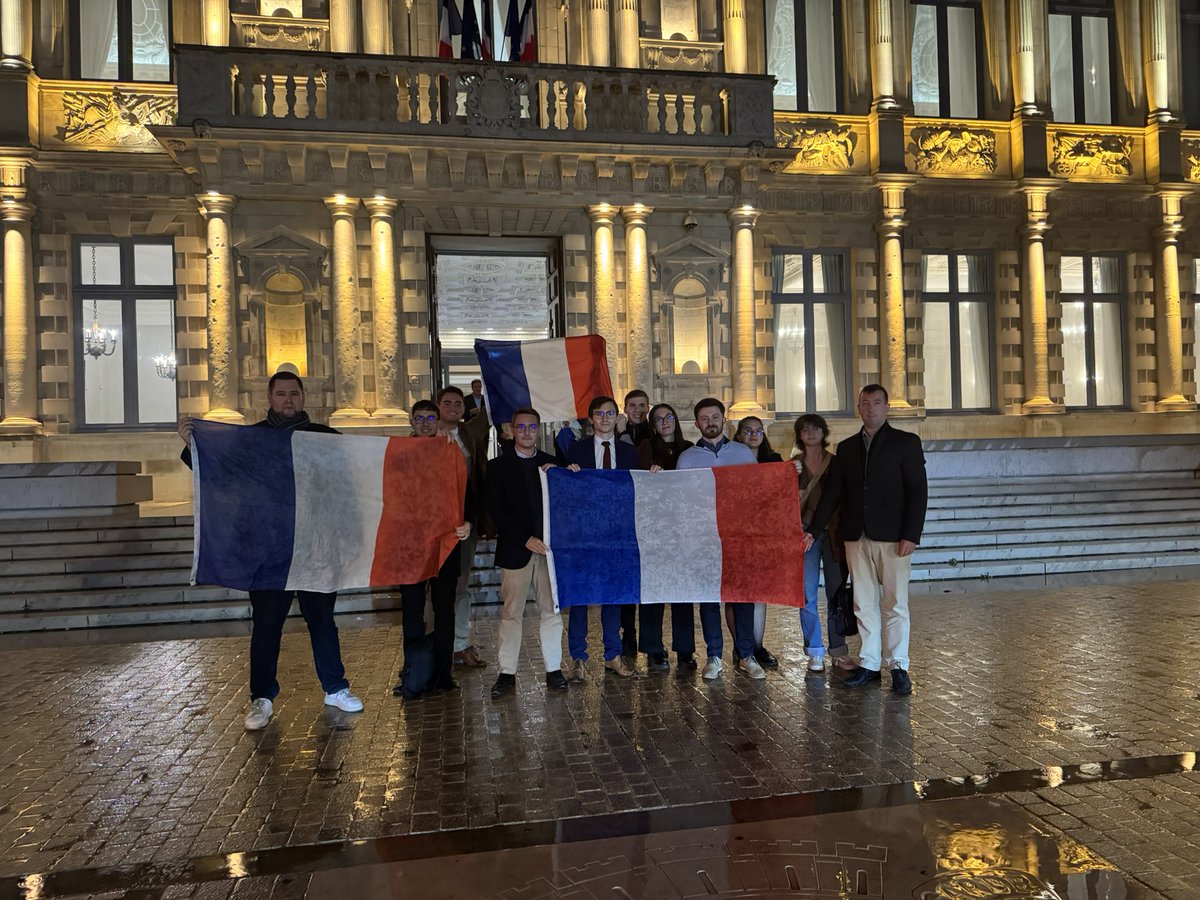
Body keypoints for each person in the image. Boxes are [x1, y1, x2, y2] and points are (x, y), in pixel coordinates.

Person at [178, 371, 364, 731]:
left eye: (294, 394)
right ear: (270, 398)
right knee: (266, 626)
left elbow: (349, 490)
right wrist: (192, 445)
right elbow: (218, 474)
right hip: (267, 550)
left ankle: (335, 687)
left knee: (323, 622)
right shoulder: (252, 439)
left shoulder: (326, 438)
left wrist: (349, 537)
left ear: (303, 398)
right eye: (281, 394)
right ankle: (261, 697)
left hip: (316, 548)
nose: (288, 400)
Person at [805, 384, 927, 695]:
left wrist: (911, 534)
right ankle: (870, 663)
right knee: (863, 603)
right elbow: (833, 494)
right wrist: (813, 530)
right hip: (855, 537)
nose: (870, 408)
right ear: (859, 408)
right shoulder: (847, 449)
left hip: (893, 537)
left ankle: (898, 665)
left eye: (876, 403)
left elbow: (917, 492)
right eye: (864, 403)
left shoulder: (906, 443)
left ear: (887, 407)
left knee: (896, 603)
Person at [676, 398, 763, 680]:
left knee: (742, 598)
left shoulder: (743, 453)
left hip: (739, 537)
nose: (710, 422)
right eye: (704, 418)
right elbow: (681, 500)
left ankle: (746, 655)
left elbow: (756, 494)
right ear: (697, 423)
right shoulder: (687, 458)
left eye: (715, 416)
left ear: (723, 419)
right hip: (703, 538)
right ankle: (714, 655)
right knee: (709, 599)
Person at [487, 407, 569, 698]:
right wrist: (525, 539)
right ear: (511, 429)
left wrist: (566, 474)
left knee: (551, 611)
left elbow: (565, 501)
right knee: (511, 614)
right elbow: (497, 509)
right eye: (520, 427)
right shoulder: (497, 466)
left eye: (531, 427)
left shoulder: (552, 463)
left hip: (548, 552)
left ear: (538, 429)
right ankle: (507, 673)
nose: (526, 432)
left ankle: (554, 670)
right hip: (515, 550)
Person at [394, 399, 473, 699]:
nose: (425, 423)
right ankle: (412, 670)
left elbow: (468, 488)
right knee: (412, 612)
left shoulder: (451, 451)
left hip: (445, 543)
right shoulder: (398, 453)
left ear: (439, 422)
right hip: (410, 546)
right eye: (419, 418)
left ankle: (443, 673)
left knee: (444, 611)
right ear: (411, 423)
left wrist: (468, 520)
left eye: (431, 418)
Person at [565, 395, 641, 679]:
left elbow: (638, 485)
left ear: (617, 417)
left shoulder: (628, 452)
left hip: (618, 534)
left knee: (614, 596)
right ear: (590, 419)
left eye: (610, 413)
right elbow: (565, 490)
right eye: (599, 414)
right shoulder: (577, 450)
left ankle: (613, 655)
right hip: (584, 534)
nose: (605, 418)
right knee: (580, 595)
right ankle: (578, 658)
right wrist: (568, 472)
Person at [792, 414, 854, 674]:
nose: (811, 433)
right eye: (805, 429)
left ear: (823, 432)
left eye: (815, 428)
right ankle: (814, 650)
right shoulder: (793, 465)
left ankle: (838, 651)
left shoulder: (837, 463)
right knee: (806, 593)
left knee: (836, 593)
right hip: (803, 533)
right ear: (799, 434)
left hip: (834, 533)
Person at [633, 403, 694, 671]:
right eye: (658, 419)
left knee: (683, 592)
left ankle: (685, 650)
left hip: (684, 529)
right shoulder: (646, 447)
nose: (665, 422)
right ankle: (653, 649)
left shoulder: (690, 448)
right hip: (655, 529)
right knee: (654, 591)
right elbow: (639, 481)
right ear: (653, 424)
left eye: (669, 417)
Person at [438, 386, 489, 670]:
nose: (454, 407)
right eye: (447, 403)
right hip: (433, 528)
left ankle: (458, 645)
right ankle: (435, 645)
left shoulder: (469, 435)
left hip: (465, 524)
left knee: (461, 585)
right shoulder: (423, 437)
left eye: (458, 403)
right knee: (433, 589)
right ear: (438, 406)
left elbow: (491, 413)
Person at [730, 416, 782, 671]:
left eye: (758, 430)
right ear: (738, 434)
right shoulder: (730, 459)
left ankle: (757, 646)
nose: (753, 434)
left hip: (764, 534)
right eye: (747, 430)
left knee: (759, 593)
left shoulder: (774, 460)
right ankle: (741, 646)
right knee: (734, 594)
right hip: (734, 533)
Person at [615, 389, 651, 661]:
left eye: (642, 405)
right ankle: (628, 634)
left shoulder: (655, 433)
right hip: (622, 517)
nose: (637, 409)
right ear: (625, 408)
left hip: (649, 516)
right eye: (632, 405)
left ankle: (651, 643)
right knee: (625, 582)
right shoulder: (614, 433)